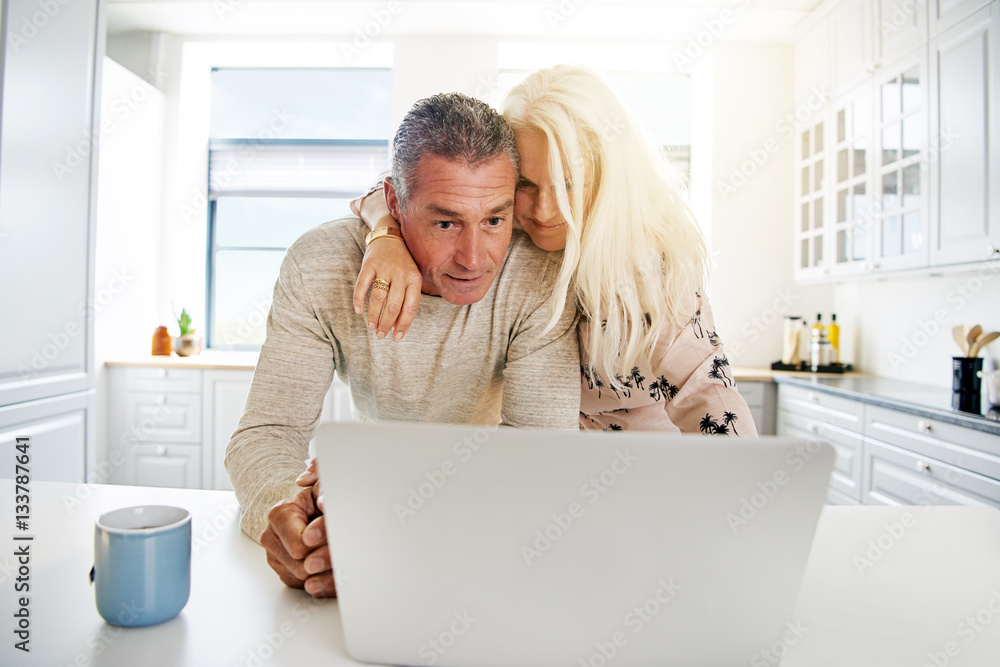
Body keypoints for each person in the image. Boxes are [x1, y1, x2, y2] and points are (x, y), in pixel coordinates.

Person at [225, 92, 581, 599]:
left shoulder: (539, 275)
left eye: (495, 220)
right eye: (445, 222)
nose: (475, 257)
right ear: (393, 204)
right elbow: (267, 433)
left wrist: (401, 506)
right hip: (375, 520)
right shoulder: (319, 265)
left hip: (487, 538)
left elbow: (541, 457)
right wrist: (289, 514)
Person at [353, 65, 756, 437]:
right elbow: (405, 188)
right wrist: (386, 236)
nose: (545, 210)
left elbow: (706, 394)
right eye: (526, 185)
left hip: (641, 478)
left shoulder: (648, 267)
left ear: (608, 175)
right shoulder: (499, 234)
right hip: (534, 474)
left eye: (567, 184)